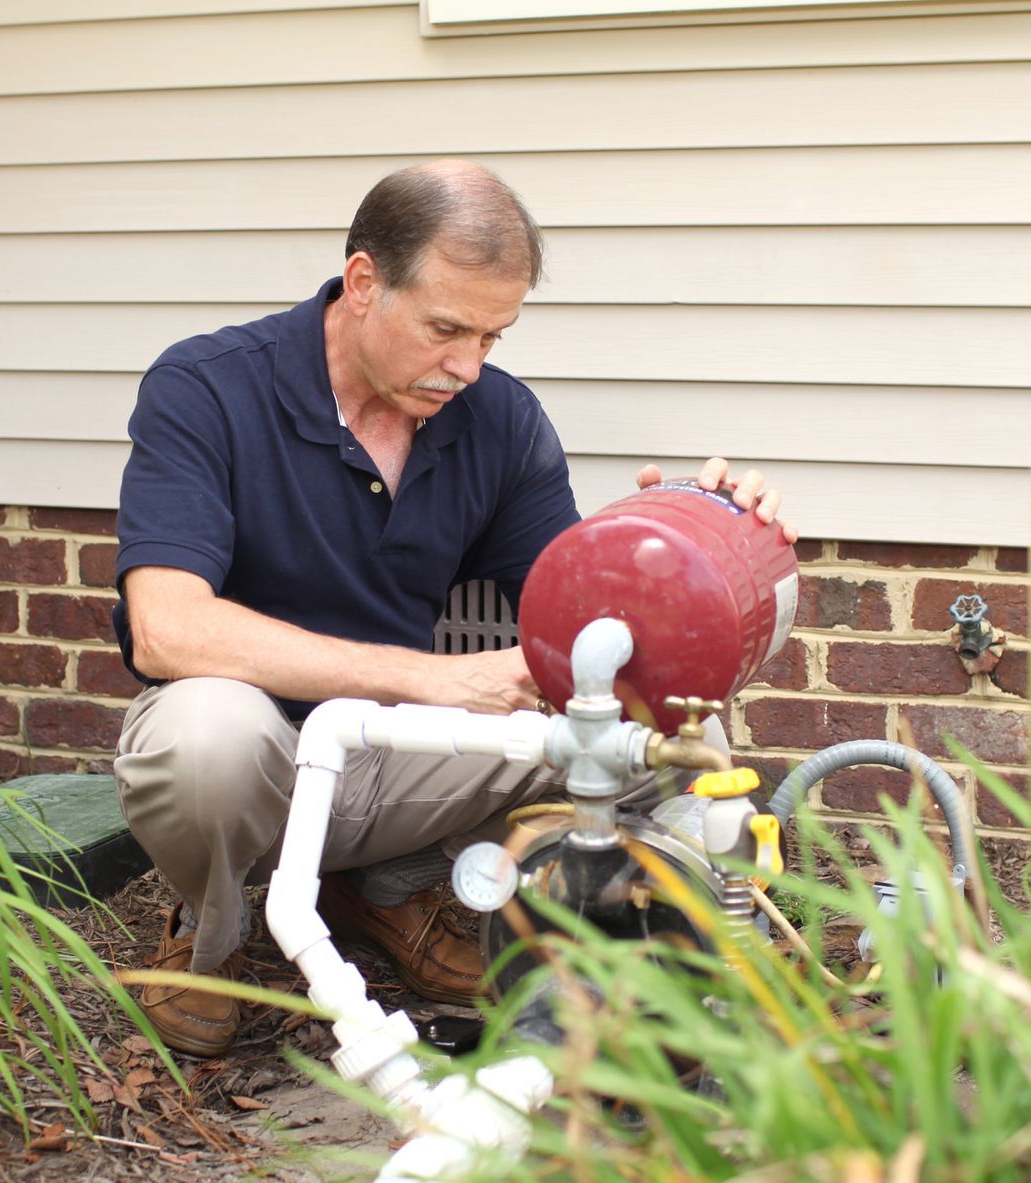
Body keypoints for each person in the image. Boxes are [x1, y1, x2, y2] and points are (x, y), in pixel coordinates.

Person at [111, 160, 794, 1056]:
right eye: (446, 329)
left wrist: (691, 535)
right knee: (206, 732)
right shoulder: (207, 387)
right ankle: (213, 940)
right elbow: (169, 626)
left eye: (492, 338)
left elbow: (579, 621)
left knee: (660, 745)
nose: (467, 366)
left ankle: (396, 890)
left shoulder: (499, 420)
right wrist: (433, 679)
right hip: (263, 757)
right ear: (363, 284)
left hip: (400, 759)